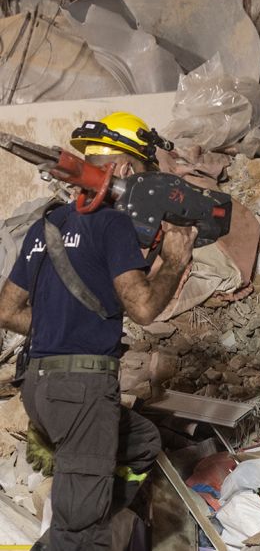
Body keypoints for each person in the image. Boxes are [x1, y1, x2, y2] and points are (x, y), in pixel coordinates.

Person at [0, 112, 198, 551]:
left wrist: (61, 327)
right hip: (83, 393)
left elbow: (7, 309)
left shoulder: (46, 225)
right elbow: (143, 307)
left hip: (41, 387)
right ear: (127, 171)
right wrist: (176, 259)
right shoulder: (113, 225)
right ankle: (78, 532)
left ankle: (76, 521)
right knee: (83, 534)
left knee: (141, 441)